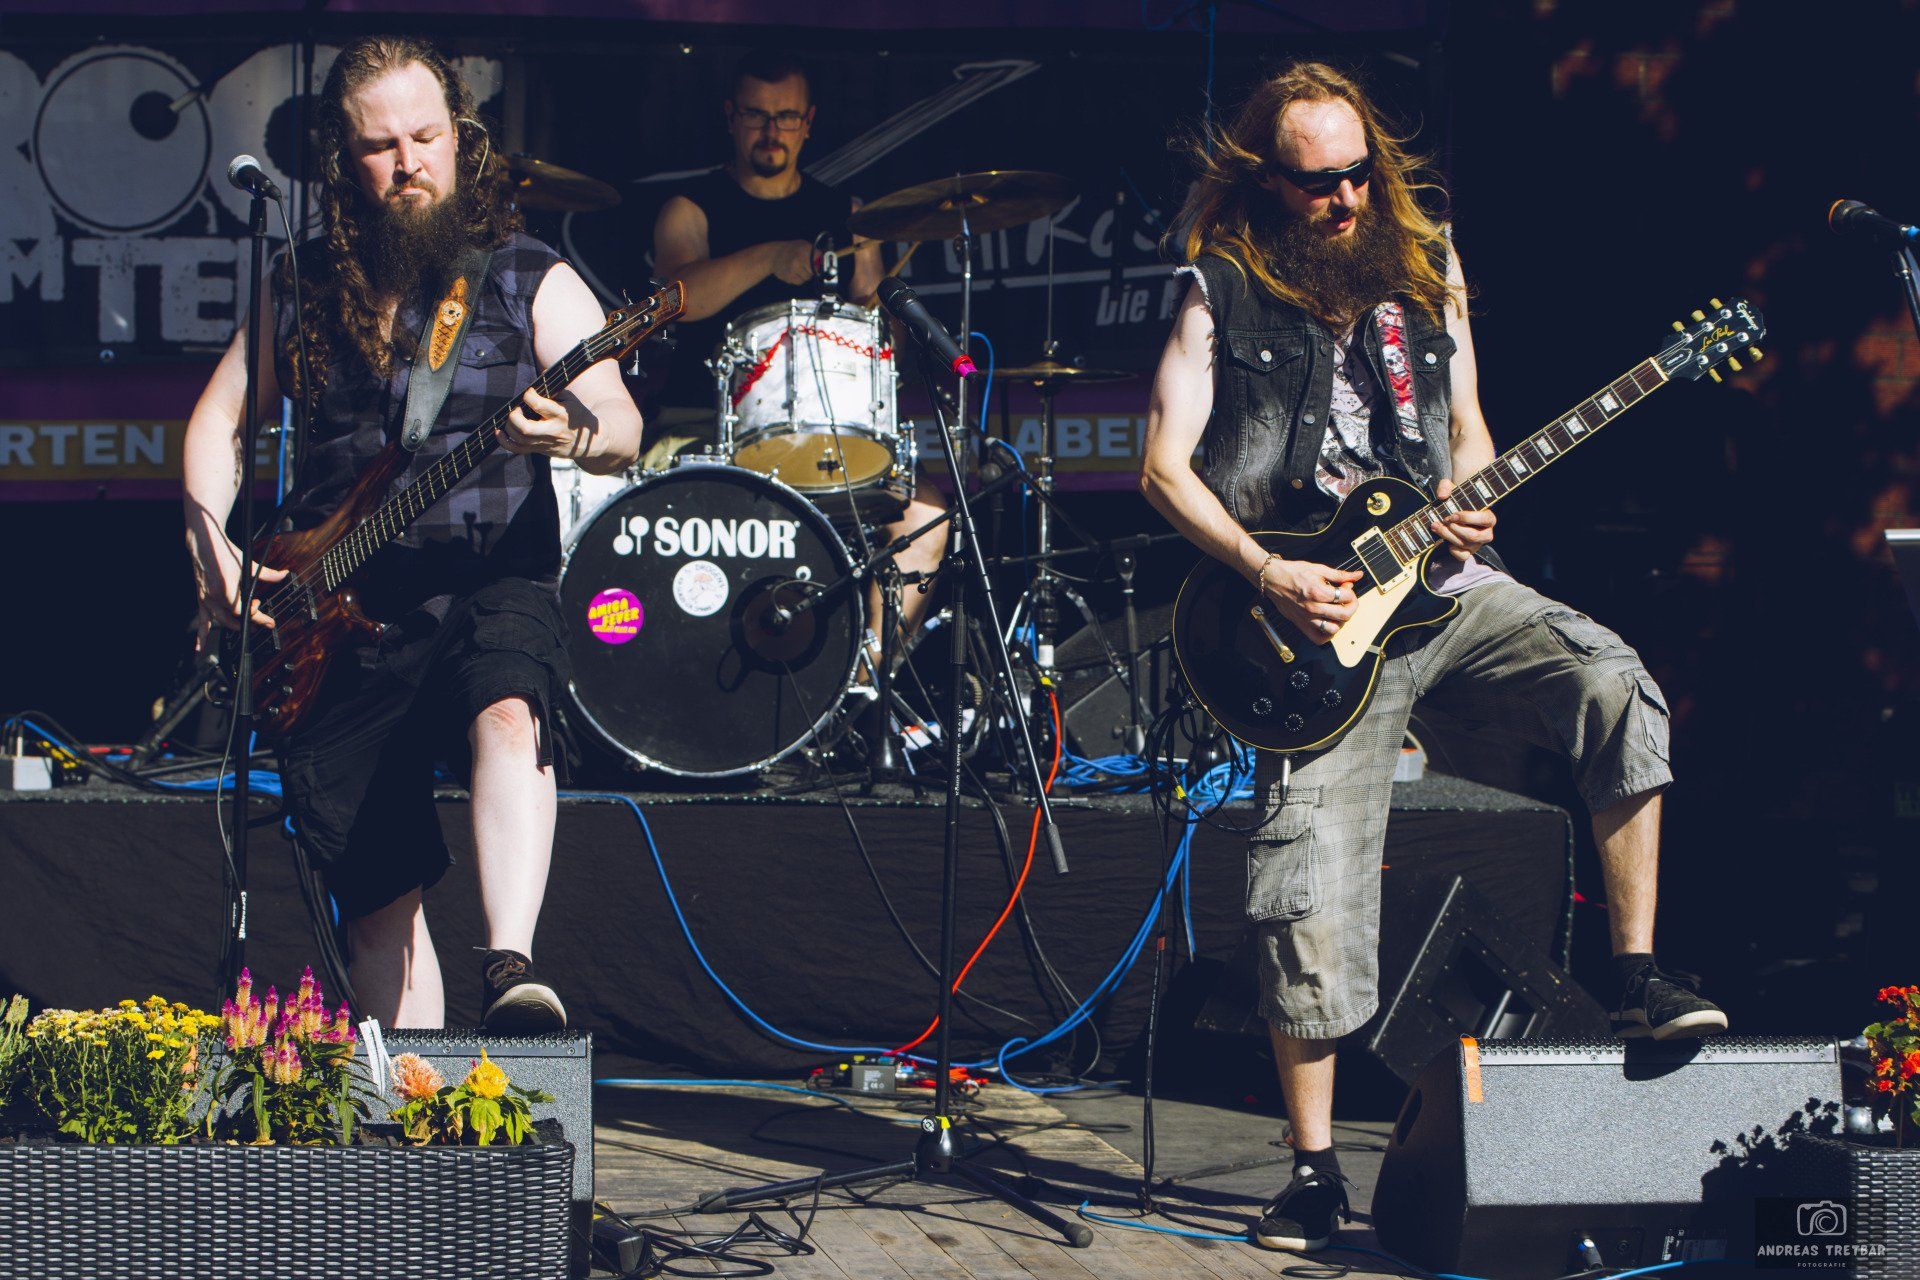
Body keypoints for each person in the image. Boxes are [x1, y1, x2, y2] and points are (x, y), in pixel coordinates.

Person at [1138, 61, 1727, 1254]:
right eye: (1318, 182)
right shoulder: (1220, 289)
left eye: (1359, 173)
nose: (1345, 200)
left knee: (1615, 680)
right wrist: (1267, 570)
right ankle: (1314, 1173)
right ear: (1269, 180)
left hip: (1446, 592)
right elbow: (1162, 464)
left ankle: (1636, 978)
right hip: (1309, 619)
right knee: (1304, 876)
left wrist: (1472, 496)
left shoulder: (1425, 266)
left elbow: (1466, 430)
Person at [181, 35, 642, 1032]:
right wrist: (208, 532)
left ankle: (511, 966)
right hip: (338, 607)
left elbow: (620, 418)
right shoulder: (300, 284)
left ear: (461, 139)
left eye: (426, 137)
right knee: (377, 892)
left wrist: (576, 432)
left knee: (508, 705)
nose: (408, 163)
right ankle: (415, 1094)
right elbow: (218, 422)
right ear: (343, 159)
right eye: (380, 146)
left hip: (488, 572)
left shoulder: (525, 275)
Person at [650, 49, 947, 662]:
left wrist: (877, 284)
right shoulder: (691, 207)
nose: (771, 131)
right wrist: (769, 257)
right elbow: (676, 298)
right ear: (730, 117)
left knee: (927, 518)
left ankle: (861, 679)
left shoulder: (848, 215)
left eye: (786, 117)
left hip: (826, 435)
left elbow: (879, 335)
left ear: (808, 123)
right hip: (704, 429)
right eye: (756, 115)